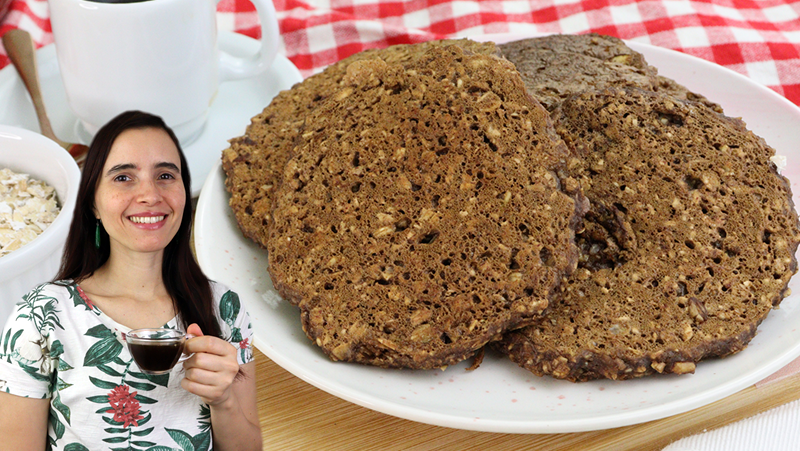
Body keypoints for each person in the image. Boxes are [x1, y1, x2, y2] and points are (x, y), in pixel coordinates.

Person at [0, 111, 261, 450]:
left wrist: (225, 400)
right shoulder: (42, 315)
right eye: (123, 178)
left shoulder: (224, 308)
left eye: (166, 175)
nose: (150, 195)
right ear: (92, 202)